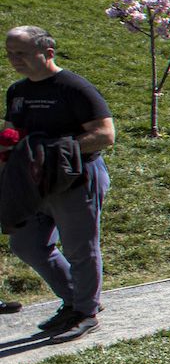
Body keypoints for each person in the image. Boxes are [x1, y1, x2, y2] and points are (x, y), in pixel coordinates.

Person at [3, 25, 114, 341]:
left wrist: (57, 152)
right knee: (26, 243)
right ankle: (75, 300)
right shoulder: (18, 91)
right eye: (10, 53)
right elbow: (11, 131)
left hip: (75, 179)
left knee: (81, 247)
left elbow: (105, 135)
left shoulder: (73, 88)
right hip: (33, 182)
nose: (14, 59)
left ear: (48, 52)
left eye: (21, 53)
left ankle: (85, 312)